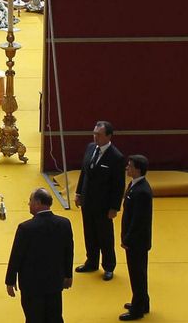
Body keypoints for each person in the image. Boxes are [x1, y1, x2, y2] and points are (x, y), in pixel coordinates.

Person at [4, 186, 74, 323]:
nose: (29, 204)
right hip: (54, 282)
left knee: (33, 318)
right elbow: (68, 252)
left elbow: (16, 256)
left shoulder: (25, 228)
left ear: (37, 203)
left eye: (30, 201)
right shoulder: (64, 224)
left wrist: (10, 280)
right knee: (54, 316)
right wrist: (68, 275)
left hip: (32, 285)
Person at [74, 120, 124, 280]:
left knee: (105, 236)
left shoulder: (116, 157)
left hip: (103, 205)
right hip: (87, 200)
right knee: (89, 232)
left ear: (108, 136)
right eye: (94, 134)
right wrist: (78, 193)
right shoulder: (90, 148)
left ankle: (109, 266)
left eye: (99, 135)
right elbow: (84, 172)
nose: (95, 137)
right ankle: (92, 261)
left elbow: (118, 185)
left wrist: (114, 207)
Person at [120, 155, 153, 320]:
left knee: (137, 274)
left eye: (130, 166)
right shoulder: (135, 186)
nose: (127, 168)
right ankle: (142, 302)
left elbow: (138, 221)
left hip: (136, 242)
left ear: (138, 169)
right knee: (139, 273)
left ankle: (138, 309)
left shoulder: (142, 192)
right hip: (135, 239)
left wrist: (127, 239)